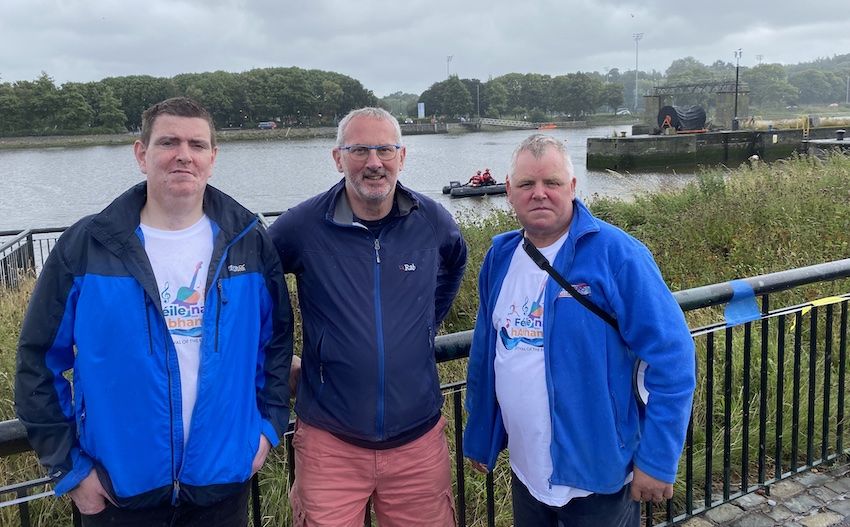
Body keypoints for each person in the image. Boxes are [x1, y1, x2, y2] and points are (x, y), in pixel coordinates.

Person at [15, 97, 293, 527]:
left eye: (197, 145)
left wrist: (266, 430)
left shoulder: (250, 242)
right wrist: (70, 468)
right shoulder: (87, 245)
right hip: (118, 493)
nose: (184, 155)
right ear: (141, 153)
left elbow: (275, 344)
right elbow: (37, 361)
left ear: (213, 159)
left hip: (222, 488)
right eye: (169, 142)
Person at [463, 134, 695, 527]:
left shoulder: (617, 255)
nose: (539, 194)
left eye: (551, 183)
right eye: (526, 184)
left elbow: (672, 358)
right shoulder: (499, 258)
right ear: (509, 191)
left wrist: (657, 459)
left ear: (572, 187)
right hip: (527, 473)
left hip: (599, 478)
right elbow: (487, 354)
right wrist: (480, 434)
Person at [268, 107, 467, 527]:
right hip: (329, 444)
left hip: (418, 443)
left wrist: (424, 323)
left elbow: (455, 261)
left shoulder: (431, 221)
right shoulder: (302, 226)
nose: (373, 162)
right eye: (359, 149)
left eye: (384, 149)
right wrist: (276, 356)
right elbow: (252, 286)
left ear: (402, 155)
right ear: (338, 158)